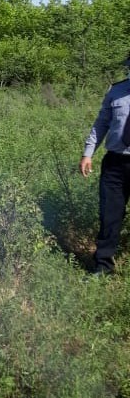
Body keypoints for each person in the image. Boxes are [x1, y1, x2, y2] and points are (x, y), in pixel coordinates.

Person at [80, 56, 130, 274]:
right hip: (115, 163)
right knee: (109, 215)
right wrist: (88, 152)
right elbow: (101, 123)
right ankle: (103, 266)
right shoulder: (116, 91)